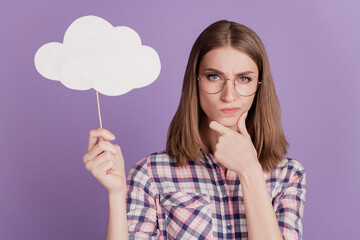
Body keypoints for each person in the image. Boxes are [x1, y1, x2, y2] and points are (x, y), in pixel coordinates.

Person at [82, 20, 306, 240]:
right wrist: (116, 193)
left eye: (244, 79)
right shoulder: (150, 174)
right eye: (214, 76)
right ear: (195, 82)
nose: (229, 95)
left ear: (259, 87)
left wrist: (250, 172)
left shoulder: (288, 175)